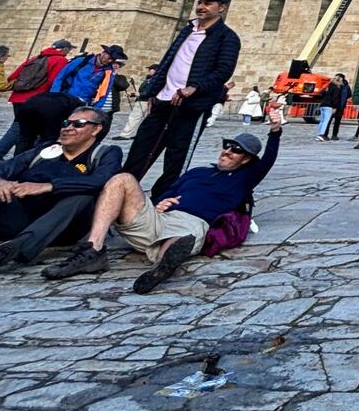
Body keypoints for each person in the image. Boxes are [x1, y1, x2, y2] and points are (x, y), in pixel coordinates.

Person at [43, 114, 283, 293]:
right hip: (159, 218)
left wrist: (275, 129)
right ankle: (92, 249)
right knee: (122, 179)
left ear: (247, 160)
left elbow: (268, 160)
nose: (228, 151)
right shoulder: (197, 172)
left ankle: (161, 266)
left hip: (192, 223)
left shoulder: (244, 179)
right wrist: (158, 203)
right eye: (227, 145)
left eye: (236, 150)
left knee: (184, 237)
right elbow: (168, 191)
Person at [126, 0, 241, 201]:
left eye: (208, 3)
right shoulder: (187, 30)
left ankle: (161, 201)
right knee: (140, 151)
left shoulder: (227, 38)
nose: (201, 6)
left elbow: (223, 71)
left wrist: (194, 87)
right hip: (163, 101)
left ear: (222, 7)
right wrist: (152, 92)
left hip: (191, 107)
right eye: (200, 2)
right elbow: (168, 61)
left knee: (176, 159)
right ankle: (121, 195)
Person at [0, 107, 120, 274]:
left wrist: (48, 186)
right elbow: (0, 170)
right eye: (66, 123)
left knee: (83, 194)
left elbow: (100, 181)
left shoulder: (105, 153)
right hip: (22, 219)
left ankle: (23, 247)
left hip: (64, 227)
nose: (68, 128)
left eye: (79, 124)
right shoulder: (43, 150)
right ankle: (11, 245)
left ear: (96, 129)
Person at [17, 44, 126, 153]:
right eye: (109, 57)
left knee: (66, 132)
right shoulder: (82, 61)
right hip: (63, 100)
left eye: (113, 59)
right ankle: (34, 152)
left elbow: (104, 92)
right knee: (49, 130)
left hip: (82, 104)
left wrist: (95, 110)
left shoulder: (108, 71)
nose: (110, 60)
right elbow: (61, 76)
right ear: (104, 53)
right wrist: (54, 95)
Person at [0, 39, 74, 167]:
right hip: (35, 100)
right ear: (64, 49)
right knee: (20, 129)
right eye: (69, 49)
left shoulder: (35, 58)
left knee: (23, 129)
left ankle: (16, 157)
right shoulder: (60, 60)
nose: (69, 52)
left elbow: (13, 76)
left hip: (18, 98)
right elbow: (53, 81)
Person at [116, 64, 159, 141]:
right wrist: (133, 94)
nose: (149, 70)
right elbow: (143, 91)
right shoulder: (149, 79)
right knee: (141, 119)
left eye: (151, 69)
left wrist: (139, 94)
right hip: (143, 100)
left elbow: (151, 92)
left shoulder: (155, 80)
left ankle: (125, 135)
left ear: (156, 70)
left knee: (134, 118)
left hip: (145, 101)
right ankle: (137, 134)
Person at [315, 76, 347, 141]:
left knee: (322, 121)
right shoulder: (336, 88)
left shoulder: (328, 86)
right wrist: (335, 107)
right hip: (329, 105)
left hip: (323, 104)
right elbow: (335, 98)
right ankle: (322, 135)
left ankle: (319, 134)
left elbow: (321, 93)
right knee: (326, 121)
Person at [325, 74, 353, 141]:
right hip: (332, 105)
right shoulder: (332, 84)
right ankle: (325, 134)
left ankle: (334, 135)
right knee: (328, 121)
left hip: (340, 106)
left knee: (337, 122)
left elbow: (349, 95)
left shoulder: (346, 86)